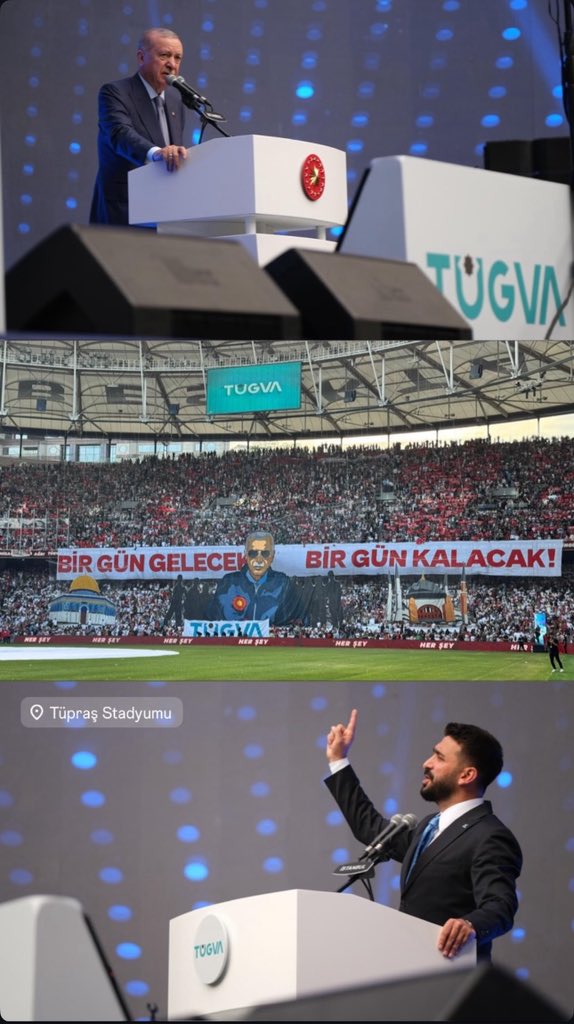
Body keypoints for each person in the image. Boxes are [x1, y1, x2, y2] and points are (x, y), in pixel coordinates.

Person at [325, 709, 522, 962]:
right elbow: (369, 828)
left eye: (439, 757)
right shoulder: (429, 828)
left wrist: (469, 924)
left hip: (453, 979)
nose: (427, 763)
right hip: (413, 971)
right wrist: (338, 760)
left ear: (467, 775)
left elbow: (500, 906)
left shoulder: (490, 836)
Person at [90, 27, 188, 225]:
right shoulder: (115, 93)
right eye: (164, 55)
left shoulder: (176, 102)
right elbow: (120, 134)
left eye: (178, 58)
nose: (172, 64)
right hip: (123, 211)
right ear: (141, 57)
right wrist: (156, 153)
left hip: (166, 213)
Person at [207, 531, 293, 625]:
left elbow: (293, 620)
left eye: (265, 553)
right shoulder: (229, 582)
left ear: (272, 556)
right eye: (253, 553)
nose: (259, 560)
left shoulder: (283, 583)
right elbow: (212, 619)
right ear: (246, 555)